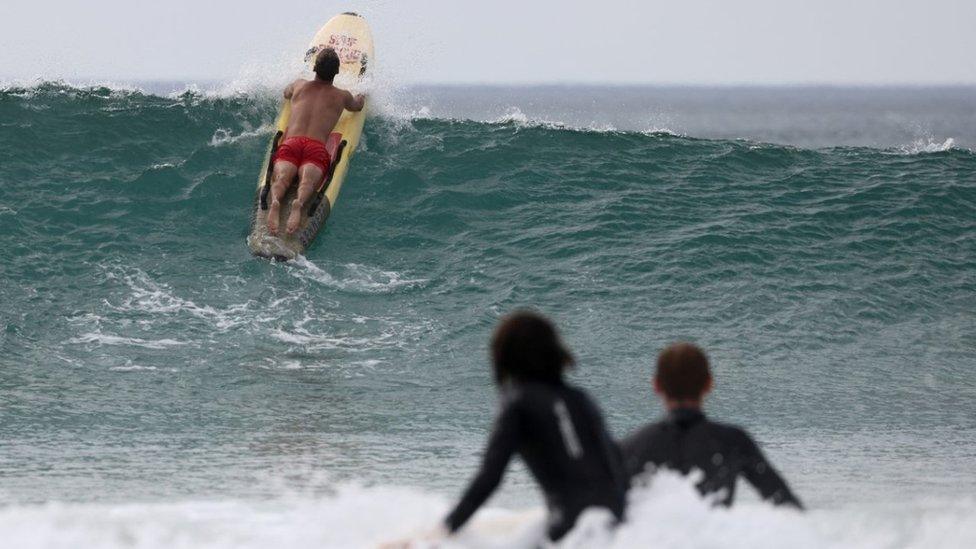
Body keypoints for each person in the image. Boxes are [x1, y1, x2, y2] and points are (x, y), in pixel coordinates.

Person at [438, 311, 628, 543]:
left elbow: (490, 477)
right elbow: (616, 464)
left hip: (570, 530)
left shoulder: (518, 403)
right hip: (615, 524)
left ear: (505, 356)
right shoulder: (580, 398)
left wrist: (446, 530)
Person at [619, 342, 803, 509]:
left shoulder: (632, 446)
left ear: (656, 385)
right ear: (709, 383)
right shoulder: (733, 441)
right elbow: (786, 504)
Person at [267, 47, 366, 235]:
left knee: (281, 179)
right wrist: (362, 91)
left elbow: (286, 93)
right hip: (316, 148)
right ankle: (299, 203)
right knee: (307, 184)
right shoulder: (341, 95)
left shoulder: (299, 85)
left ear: (314, 68)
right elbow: (357, 106)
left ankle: (275, 201)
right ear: (336, 72)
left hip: (292, 143)